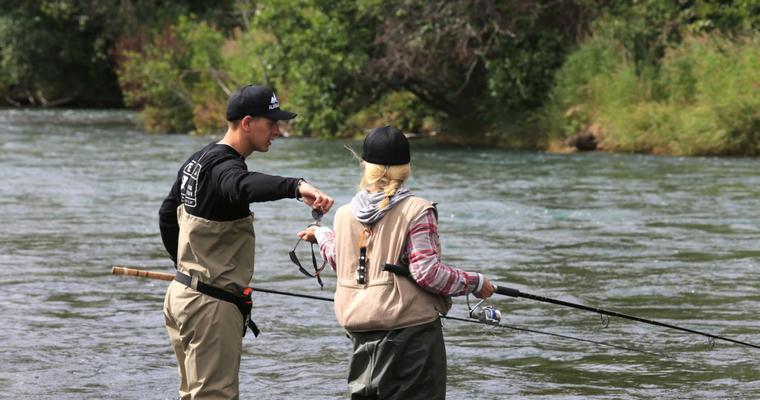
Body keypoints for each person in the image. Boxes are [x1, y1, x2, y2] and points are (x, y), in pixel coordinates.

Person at [159, 84, 334, 400]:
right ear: (248, 122)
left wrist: (187, 270)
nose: (277, 131)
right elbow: (242, 185)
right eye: (272, 123)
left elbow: (167, 215)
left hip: (181, 294)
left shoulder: (197, 161)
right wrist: (295, 186)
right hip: (209, 307)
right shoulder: (227, 169)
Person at [297, 125, 495, 400]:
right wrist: (476, 282)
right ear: (406, 167)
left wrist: (320, 234)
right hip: (410, 336)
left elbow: (342, 262)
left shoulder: (343, 214)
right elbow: (427, 273)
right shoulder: (417, 210)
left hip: (359, 332)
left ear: (364, 165)